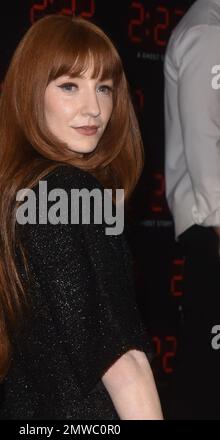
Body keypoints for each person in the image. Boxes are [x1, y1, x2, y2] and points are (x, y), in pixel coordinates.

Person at [0, 14, 163, 420]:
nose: (94, 109)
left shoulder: (9, 195)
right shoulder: (70, 191)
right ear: (32, 94)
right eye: (69, 86)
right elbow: (124, 362)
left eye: (104, 87)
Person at [164, 0, 220, 419]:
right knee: (208, 379)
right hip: (212, 230)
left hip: (210, 230)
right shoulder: (208, 32)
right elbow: (206, 144)